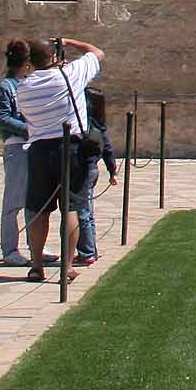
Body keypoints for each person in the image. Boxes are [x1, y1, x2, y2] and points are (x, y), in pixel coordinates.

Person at [19, 36, 106, 277]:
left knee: (38, 209)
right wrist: (70, 42)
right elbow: (97, 51)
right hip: (71, 148)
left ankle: (37, 265)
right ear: (54, 57)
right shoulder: (70, 74)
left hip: (39, 149)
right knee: (71, 208)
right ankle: (67, 267)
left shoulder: (24, 87)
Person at [0, 41, 35, 266]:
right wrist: (29, 129)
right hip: (17, 146)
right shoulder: (5, 88)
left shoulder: (26, 84)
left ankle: (36, 246)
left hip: (33, 146)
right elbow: (0, 117)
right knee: (13, 202)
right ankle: (10, 249)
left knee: (35, 200)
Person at [73, 87, 121, 261]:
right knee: (87, 211)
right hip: (92, 169)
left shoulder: (86, 124)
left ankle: (86, 253)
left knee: (81, 212)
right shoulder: (99, 125)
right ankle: (91, 249)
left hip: (84, 168)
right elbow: (107, 149)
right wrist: (112, 171)